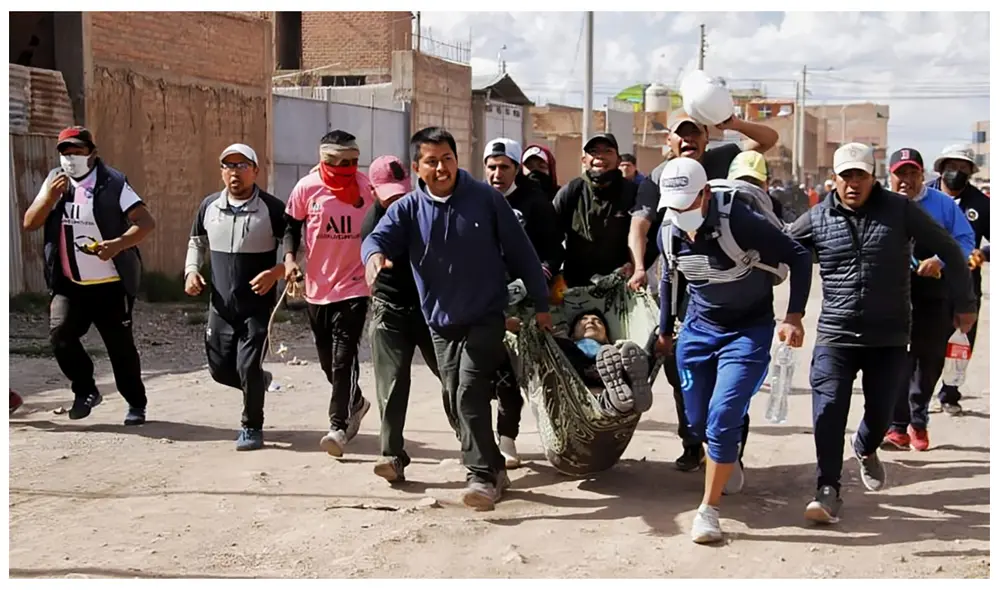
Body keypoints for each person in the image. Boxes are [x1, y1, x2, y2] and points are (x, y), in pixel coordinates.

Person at [361, 127, 552, 511]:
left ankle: (480, 476)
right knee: (454, 396)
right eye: (431, 161)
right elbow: (375, 238)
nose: (441, 167)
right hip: (440, 322)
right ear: (418, 167)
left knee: (468, 390)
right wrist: (373, 259)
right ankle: (495, 467)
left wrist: (542, 304)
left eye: (447, 158)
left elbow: (522, 252)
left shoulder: (484, 199)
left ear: (456, 159)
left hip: (485, 315)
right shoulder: (408, 208)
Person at [788, 143, 977, 525]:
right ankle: (828, 489)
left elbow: (950, 249)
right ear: (835, 179)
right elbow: (782, 249)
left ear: (873, 177)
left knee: (881, 415)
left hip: (888, 336)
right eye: (846, 176)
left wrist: (965, 303)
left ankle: (866, 447)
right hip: (836, 336)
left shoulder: (901, 210)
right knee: (827, 410)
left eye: (860, 175)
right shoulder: (819, 216)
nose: (853, 183)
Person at [655, 157, 811, 544]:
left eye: (688, 203)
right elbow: (669, 280)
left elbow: (799, 256)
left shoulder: (738, 221)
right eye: (674, 206)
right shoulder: (669, 231)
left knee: (722, 416)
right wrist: (664, 330)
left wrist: (793, 316)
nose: (681, 212)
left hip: (747, 331)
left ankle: (708, 509)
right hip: (698, 330)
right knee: (697, 423)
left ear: (705, 194)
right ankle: (727, 457)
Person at [628, 112, 778, 472]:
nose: (688, 139)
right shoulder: (658, 178)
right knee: (685, 371)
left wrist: (733, 121)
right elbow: (640, 226)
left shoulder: (721, 159)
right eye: (681, 135)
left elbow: (768, 139)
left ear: (706, 138)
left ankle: (731, 452)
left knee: (731, 380)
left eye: (695, 133)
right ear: (669, 142)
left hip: (738, 286)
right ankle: (693, 442)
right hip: (685, 284)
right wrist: (637, 266)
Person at [22, 126, 156, 424]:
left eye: (77, 152)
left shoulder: (113, 183)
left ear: (92, 153)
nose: (70, 159)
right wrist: (48, 198)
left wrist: (117, 245)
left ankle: (136, 404)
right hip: (70, 285)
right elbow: (30, 222)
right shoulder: (55, 181)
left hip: (110, 285)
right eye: (65, 153)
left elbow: (145, 222)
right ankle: (86, 390)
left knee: (120, 349)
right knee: (60, 336)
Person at [184, 144, 286, 451]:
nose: (235, 173)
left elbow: (300, 251)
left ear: (256, 170)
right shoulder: (209, 206)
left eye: (242, 166)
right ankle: (258, 382)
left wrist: (276, 272)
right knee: (220, 370)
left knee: (248, 366)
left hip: (257, 305)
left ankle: (251, 427)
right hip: (221, 305)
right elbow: (196, 243)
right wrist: (191, 271)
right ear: (221, 172)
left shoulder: (272, 208)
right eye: (228, 166)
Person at [283, 130, 374, 457]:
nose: (346, 168)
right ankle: (357, 402)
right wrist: (290, 260)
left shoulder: (367, 189)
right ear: (324, 160)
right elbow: (291, 228)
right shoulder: (306, 188)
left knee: (342, 359)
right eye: (338, 162)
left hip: (355, 285)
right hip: (317, 288)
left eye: (352, 161)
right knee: (327, 362)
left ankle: (338, 426)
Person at [882, 148, 974, 452]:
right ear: (890, 175)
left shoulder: (943, 205)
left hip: (934, 290)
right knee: (896, 356)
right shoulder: (879, 203)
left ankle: (918, 419)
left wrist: (940, 260)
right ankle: (897, 426)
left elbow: (965, 240)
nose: (906, 180)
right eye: (900, 174)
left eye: (912, 173)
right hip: (893, 291)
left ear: (923, 175)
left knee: (929, 356)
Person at [361, 155, 444, 482]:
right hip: (390, 309)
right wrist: (376, 259)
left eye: (402, 193)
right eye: (389, 196)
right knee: (392, 385)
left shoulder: (426, 211)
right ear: (373, 193)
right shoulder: (373, 223)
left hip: (431, 310)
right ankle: (392, 456)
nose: (397, 201)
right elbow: (371, 247)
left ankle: (478, 457)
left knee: (455, 383)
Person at [484, 137, 565, 468]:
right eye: (491, 166)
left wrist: (532, 282)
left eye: (504, 167)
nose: (497, 174)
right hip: (485, 301)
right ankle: (480, 441)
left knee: (513, 375)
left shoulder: (535, 202)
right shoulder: (476, 199)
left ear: (517, 168)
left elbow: (554, 252)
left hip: (526, 304)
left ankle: (507, 439)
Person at [926, 144, 991, 414]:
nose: (957, 173)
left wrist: (983, 253)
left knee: (961, 339)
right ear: (941, 168)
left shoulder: (981, 203)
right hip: (926, 282)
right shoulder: (924, 195)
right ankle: (919, 394)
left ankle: (950, 393)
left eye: (963, 168)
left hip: (965, 285)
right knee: (926, 340)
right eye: (952, 167)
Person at [553, 132, 656, 288]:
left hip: (623, 285)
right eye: (594, 152)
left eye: (607, 151)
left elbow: (654, 237)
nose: (600, 157)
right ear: (584, 160)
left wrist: (637, 266)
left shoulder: (633, 193)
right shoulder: (571, 191)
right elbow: (549, 236)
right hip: (576, 285)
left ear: (618, 160)